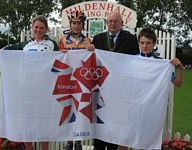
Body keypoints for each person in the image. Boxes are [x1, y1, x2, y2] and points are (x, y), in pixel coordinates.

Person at [0, 15, 59, 150]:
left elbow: (60, 62)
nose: (38, 30)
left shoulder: (52, 44)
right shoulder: (24, 45)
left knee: (44, 122)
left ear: (46, 29)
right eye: (36, 27)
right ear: (32, 28)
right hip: (27, 90)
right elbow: (8, 51)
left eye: (41, 27)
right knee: (27, 121)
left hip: (45, 90)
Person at [118, 27, 183, 150]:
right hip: (131, 107)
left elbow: (178, 83)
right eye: (142, 43)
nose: (145, 46)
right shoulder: (131, 61)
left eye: (148, 43)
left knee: (146, 143)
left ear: (154, 44)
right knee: (123, 142)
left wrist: (179, 68)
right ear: (138, 43)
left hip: (150, 109)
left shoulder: (161, 64)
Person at [92, 12, 140, 150]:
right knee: (100, 120)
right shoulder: (98, 39)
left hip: (121, 89)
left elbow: (136, 62)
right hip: (102, 88)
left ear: (122, 23)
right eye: (110, 21)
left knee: (116, 122)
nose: (112, 24)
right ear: (107, 23)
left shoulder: (130, 39)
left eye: (115, 21)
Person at [58, 10, 94, 150]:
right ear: (70, 24)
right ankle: (69, 139)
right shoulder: (62, 40)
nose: (76, 26)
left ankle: (78, 139)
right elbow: (56, 59)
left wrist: (92, 50)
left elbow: (92, 60)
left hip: (82, 80)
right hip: (67, 80)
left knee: (80, 107)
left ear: (83, 25)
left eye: (79, 23)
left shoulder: (88, 40)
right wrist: (59, 53)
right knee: (68, 107)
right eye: (74, 23)